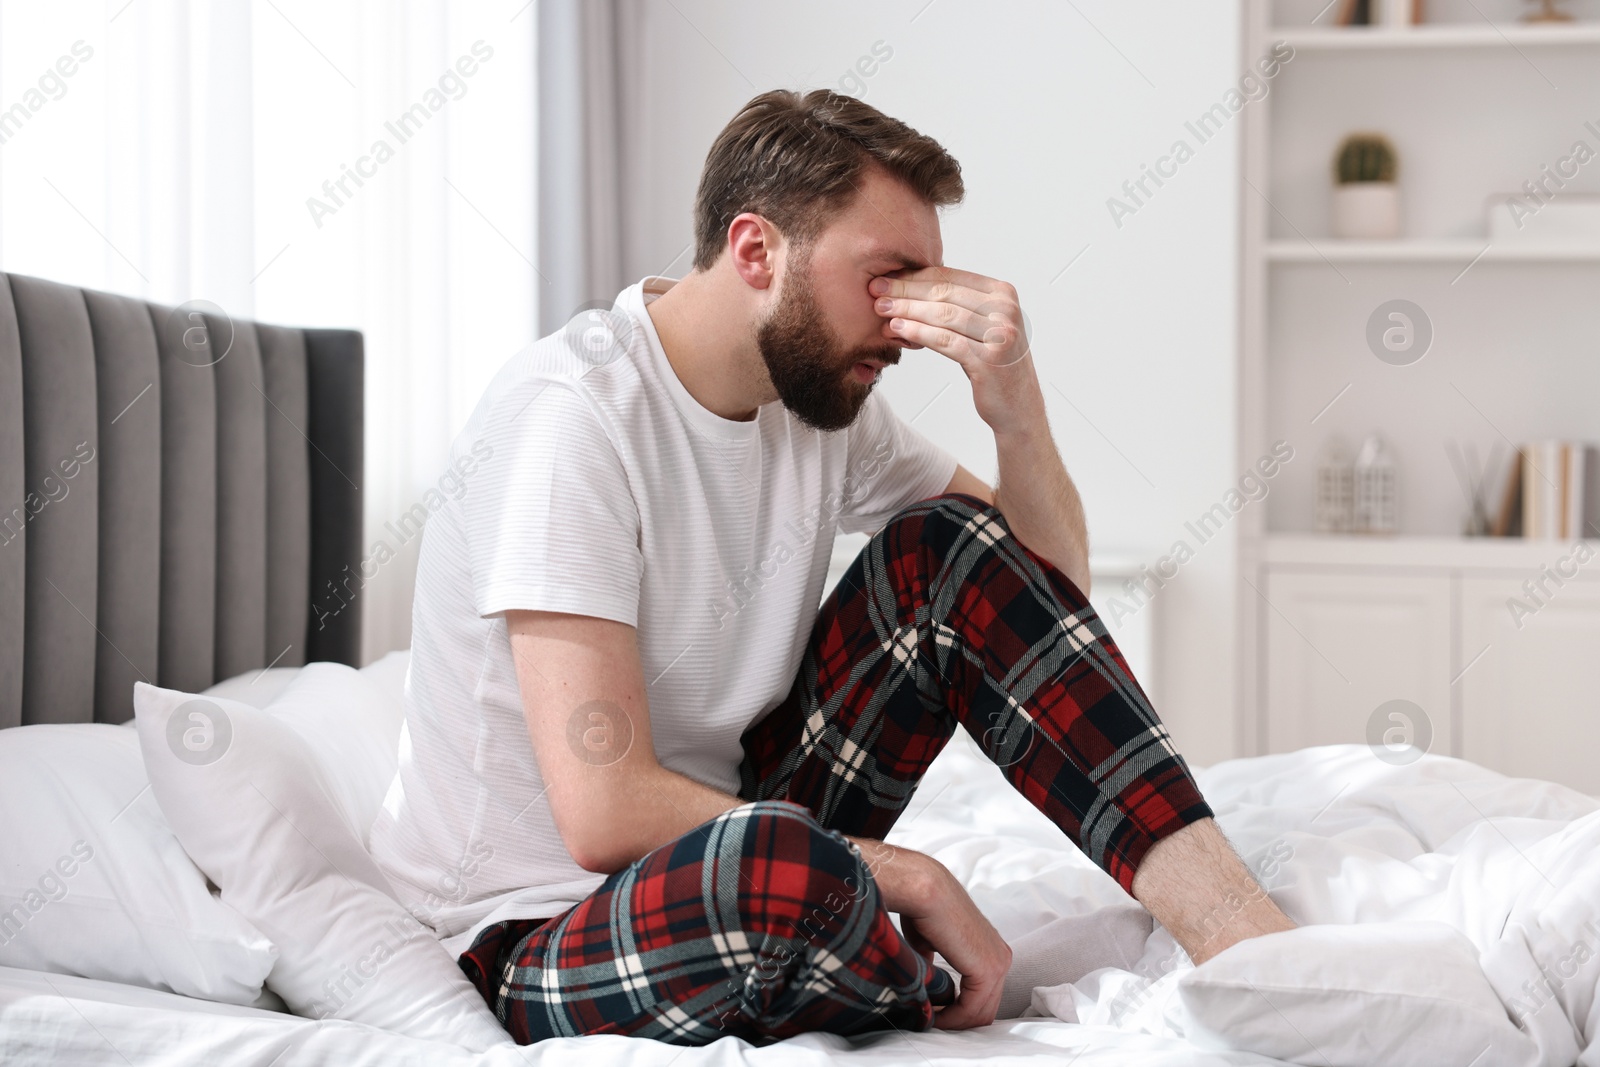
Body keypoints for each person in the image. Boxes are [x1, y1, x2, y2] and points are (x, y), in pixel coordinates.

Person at [367, 87, 1295, 1047]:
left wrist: (1014, 403)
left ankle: (1250, 946)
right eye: (886, 280)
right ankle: (893, 960)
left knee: (947, 550)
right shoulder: (571, 417)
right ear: (758, 251)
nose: (906, 325)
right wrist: (913, 874)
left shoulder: (813, 408)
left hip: (739, 841)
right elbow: (603, 812)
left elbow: (1042, 598)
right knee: (776, 873)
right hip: (537, 928)